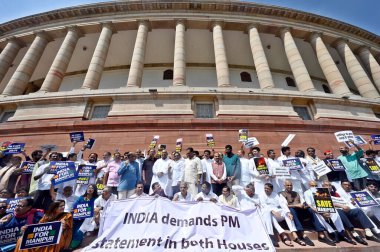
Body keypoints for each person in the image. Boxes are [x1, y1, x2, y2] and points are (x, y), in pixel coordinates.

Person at [279, 180, 335, 246]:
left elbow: (303, 202)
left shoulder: (296, 193)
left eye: (290, 185)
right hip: (292, 213)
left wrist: (304, 205)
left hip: (301, 211)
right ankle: (302, 234)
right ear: (284, 186)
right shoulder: (282, 194)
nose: (289, 186)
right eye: (287, 185)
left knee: (310, 210)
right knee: (291, 210)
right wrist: (296, 205)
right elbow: (284, 205)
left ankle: (321, 234)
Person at [303, 180, 356, 244]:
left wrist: (328, 210)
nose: (314, 187)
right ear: (309, 186)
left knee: (335, 212)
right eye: (312, 186)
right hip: (315, 209)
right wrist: (322, 213)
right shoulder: (307, 192)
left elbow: (327, 203)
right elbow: (309, 205)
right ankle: (333, 234)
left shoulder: (321, 191)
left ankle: (341, 232)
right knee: (320, 216)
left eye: (315, 185)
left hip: (325, 207)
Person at [70, 184, 98, 249]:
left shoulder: (96, 199)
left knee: (80, 232)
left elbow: (98, 208)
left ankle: (74, 246)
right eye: (89, 188)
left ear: (94, 190)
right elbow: (74, 207)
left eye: (92, 188)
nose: (90, 189)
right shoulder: (81, 198)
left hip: (89, 219)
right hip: (78, 219)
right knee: (75, 232)